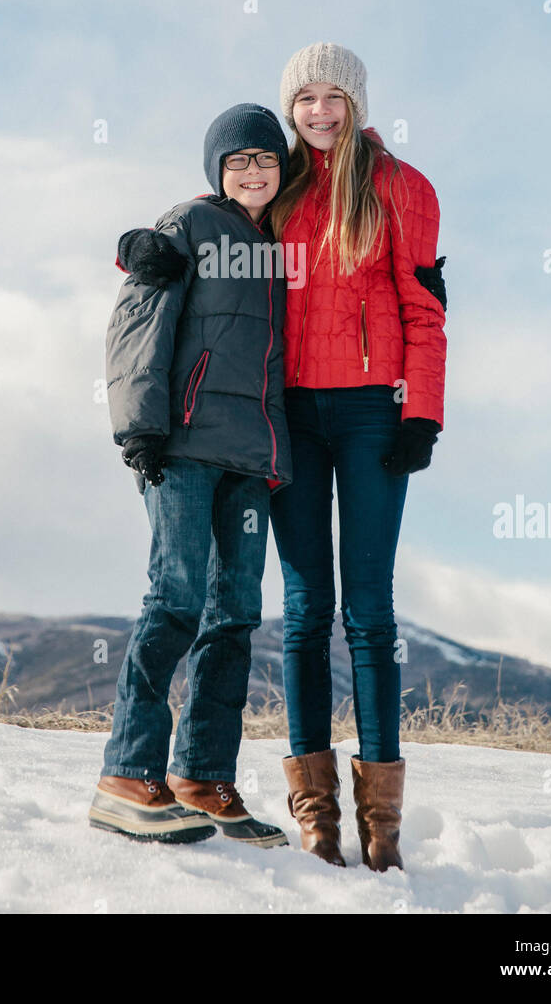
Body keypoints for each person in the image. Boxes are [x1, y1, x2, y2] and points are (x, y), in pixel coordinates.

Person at [118, 44, 447, 873]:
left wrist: (423, 411)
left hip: (374, 415)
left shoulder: (403, 188)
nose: (321, 112)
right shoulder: (285, 185)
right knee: (302, 611)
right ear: (291, 107)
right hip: (289, 417)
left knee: (368, 612)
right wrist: (142, 247)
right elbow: (217, 224)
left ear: (358, 102)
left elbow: (425, 306)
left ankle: (382, 828)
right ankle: (317, 816)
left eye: (335, 96)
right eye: (306, 98)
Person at [89, 103, 293, 849]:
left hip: (252, 456)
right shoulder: (192, 225)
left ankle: (203, 777)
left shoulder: (280, 244)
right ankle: (126, 773)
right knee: (175, 596)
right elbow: (139, 315)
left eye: (264, 159)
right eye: (237, 160)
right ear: (217, 170)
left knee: (234, 614)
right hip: (183, 444)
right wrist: (139, 423)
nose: (252, 171)